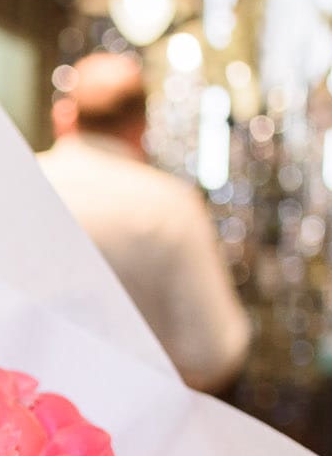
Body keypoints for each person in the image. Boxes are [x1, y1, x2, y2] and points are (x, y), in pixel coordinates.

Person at [39, 51, 251, 392]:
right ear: (141, 128)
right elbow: (215, 354)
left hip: (12, 413)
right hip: (134, 415)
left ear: (66, 115)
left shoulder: (16, 181)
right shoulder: (171, 206)